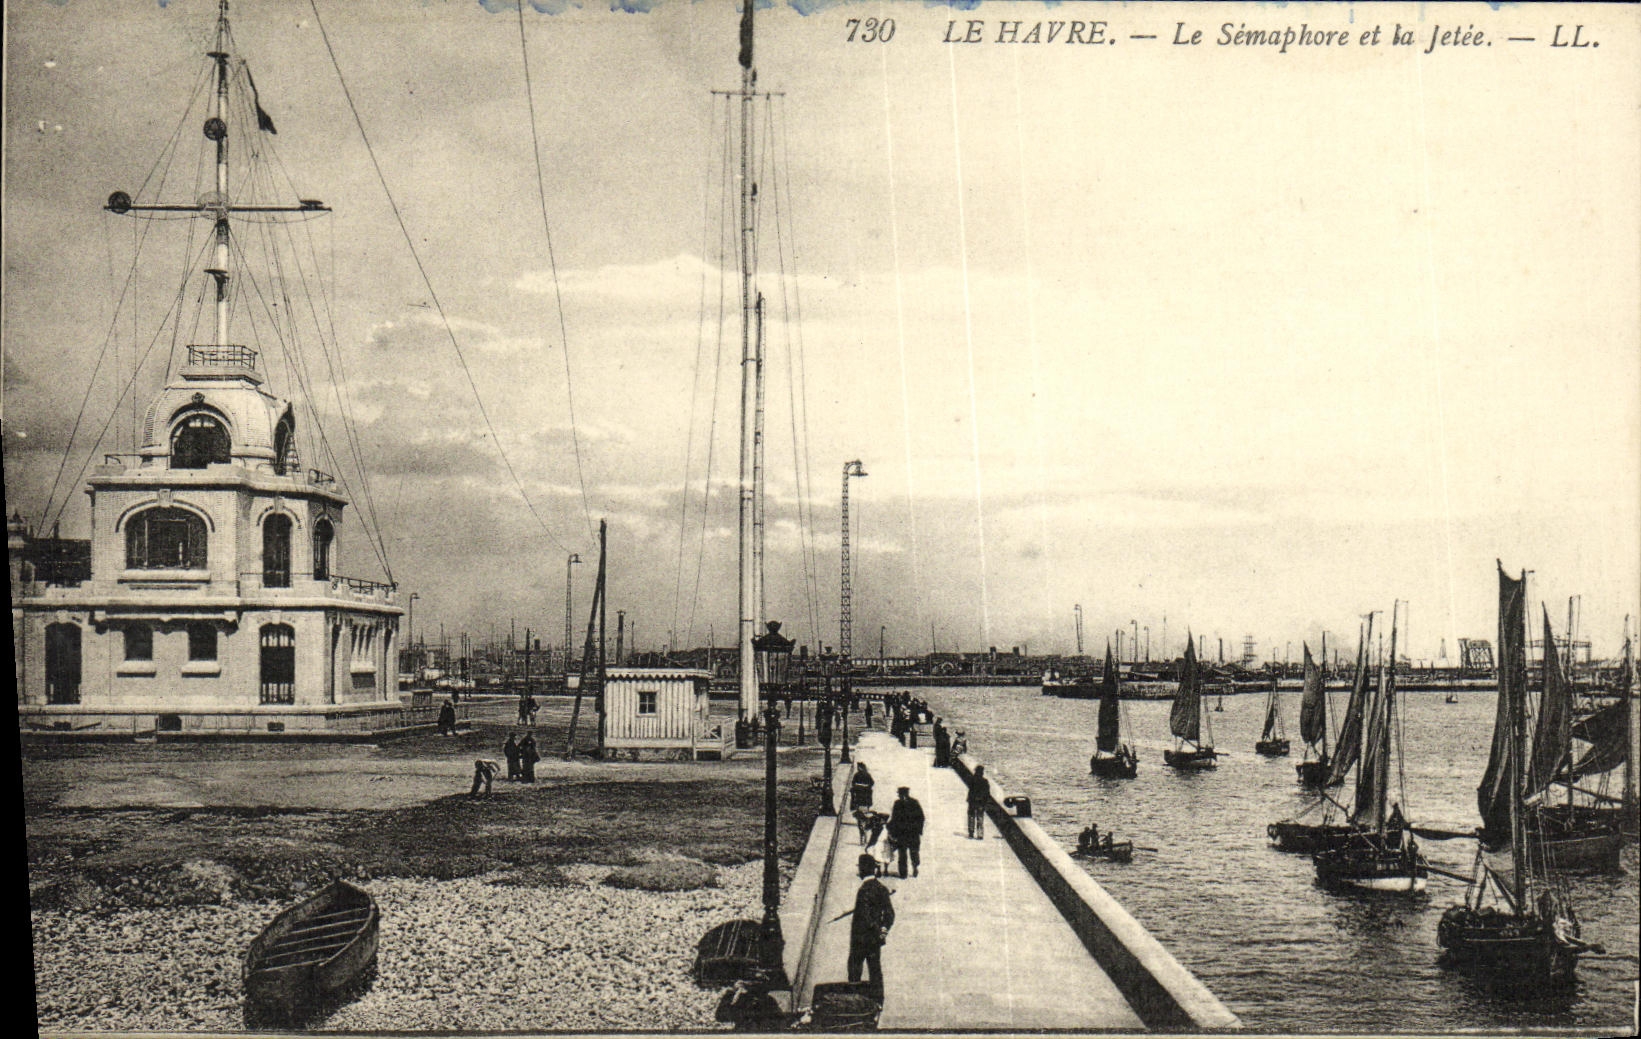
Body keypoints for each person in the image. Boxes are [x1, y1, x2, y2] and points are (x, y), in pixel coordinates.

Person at [847, 853, 895, 1000]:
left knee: (855, 968)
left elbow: (865, 917)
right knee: (875, 969)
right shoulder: (881, 888)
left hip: (861, 939)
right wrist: (883, 929)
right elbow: (890, 914)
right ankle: (878, 1000)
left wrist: (874, 928)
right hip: (875, 940)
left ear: (862, 870)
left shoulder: (863, 891)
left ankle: (855, 998)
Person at [887, 786, 926, 879]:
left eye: (901, 795)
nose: (900, 797)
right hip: (908, 833)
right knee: (908, 853)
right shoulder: (907, 803)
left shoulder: (905, 803)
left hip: (908, 833)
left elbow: (921, 817)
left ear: (904, 795)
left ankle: (909, 870)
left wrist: (918, 830)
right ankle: (909, 870)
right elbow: (921, 817)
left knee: (908, 853)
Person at [967, 764, 990, 840]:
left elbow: (970, 790)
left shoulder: (972, 780)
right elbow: (987, 793)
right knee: (980, 818)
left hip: (972, 801)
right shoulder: (985, 781)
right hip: (980, 802)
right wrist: (985, 802)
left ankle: (971, 832)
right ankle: (980, 834)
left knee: (971, 816)